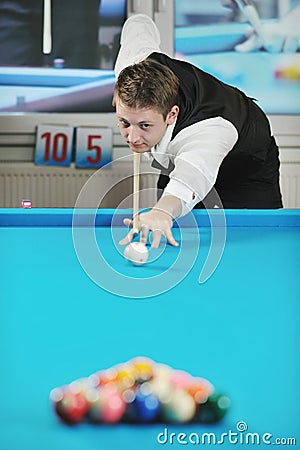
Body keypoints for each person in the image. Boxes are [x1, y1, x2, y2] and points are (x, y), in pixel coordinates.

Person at [113, 14, 283, 249]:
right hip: (186, 152)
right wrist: (160, 214)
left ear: (171, 114)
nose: (132, 138)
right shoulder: (132, 69)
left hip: (245, 166)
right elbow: (138, 24)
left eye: (144, 126)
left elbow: (189, 179)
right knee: (170, 230)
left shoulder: (209, 132)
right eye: (124, 123)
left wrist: (162, 211)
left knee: (253, 245)